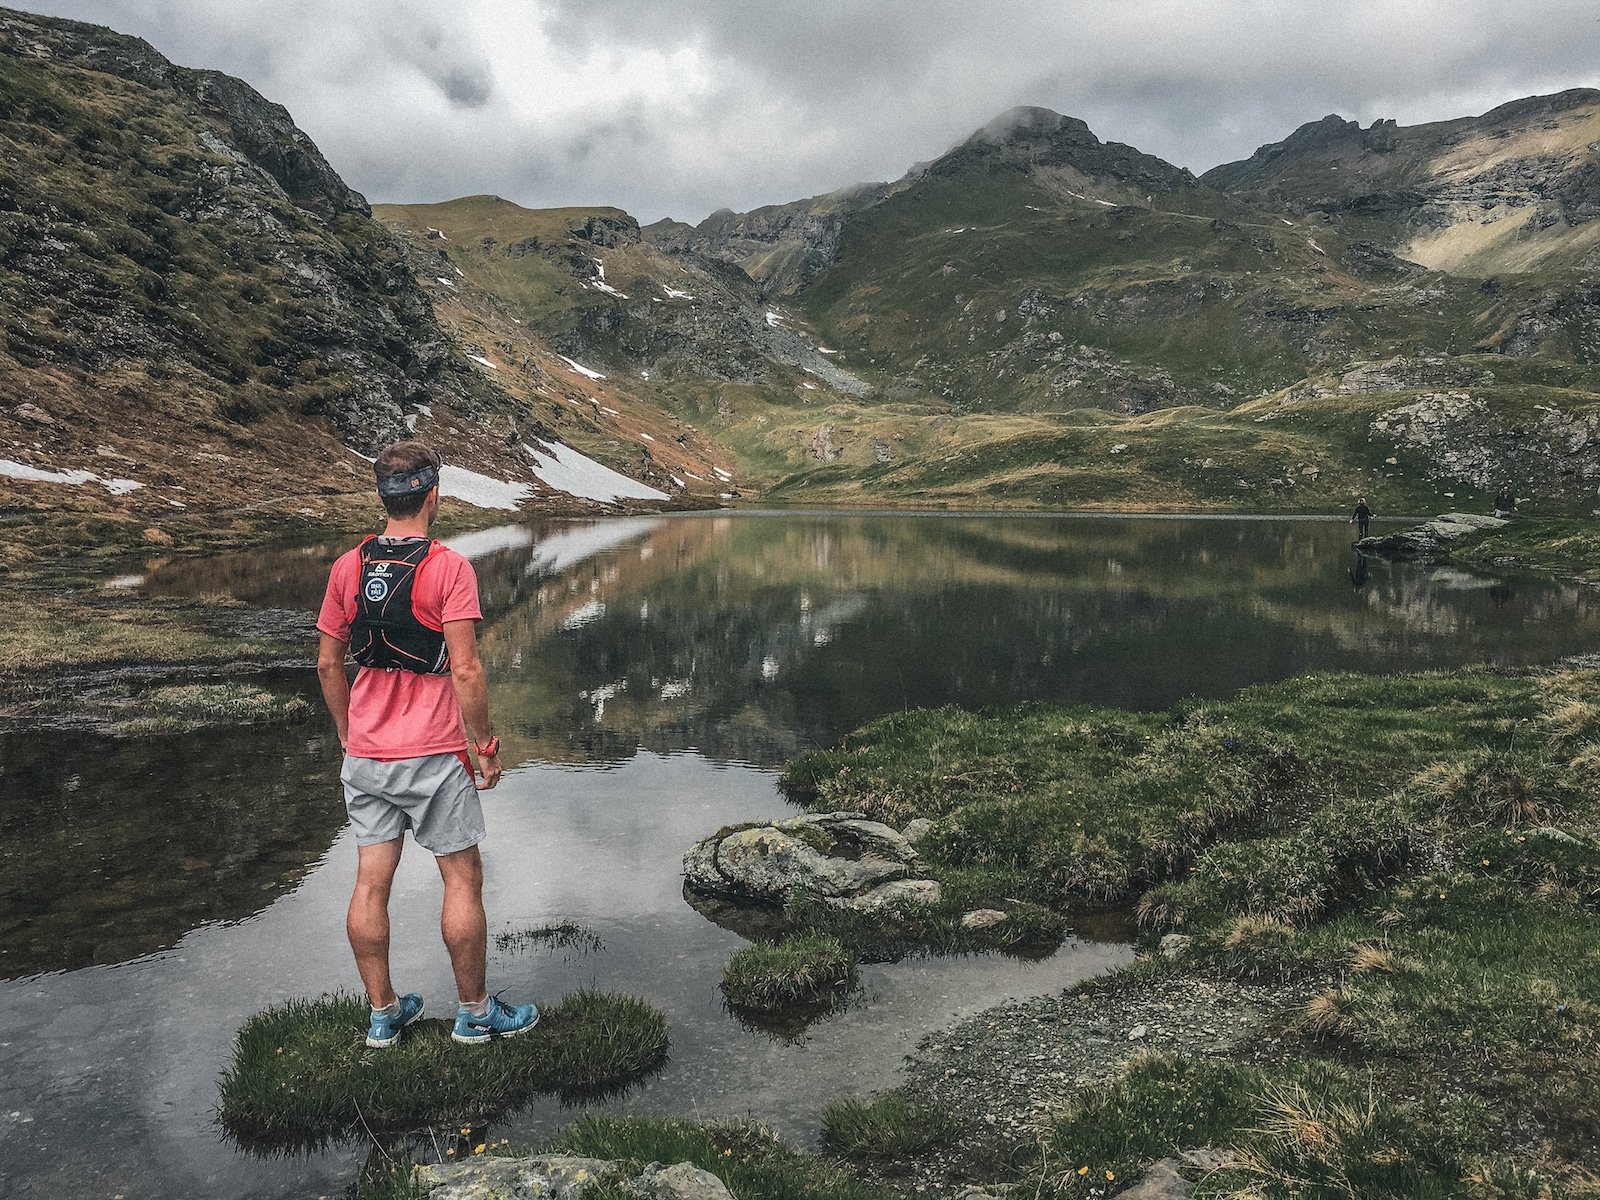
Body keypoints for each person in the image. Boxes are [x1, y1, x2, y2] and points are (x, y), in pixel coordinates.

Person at [316, 440, 537, 1048]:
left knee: (370, 884)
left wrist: (348, 733)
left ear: (382, 497)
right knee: (462, 880)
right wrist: (484, 745)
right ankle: (475, 1013)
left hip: (367, 754)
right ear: (433, 495)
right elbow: (466, 669)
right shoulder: (449, 568)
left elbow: (329, 664)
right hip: (435, 755)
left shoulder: (347, 567)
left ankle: (384, 1014)